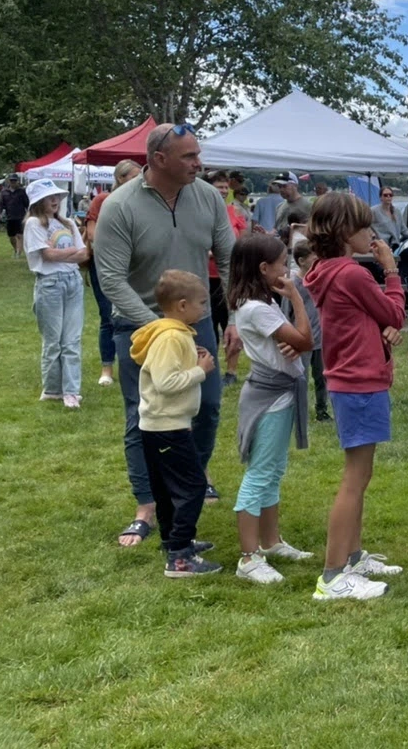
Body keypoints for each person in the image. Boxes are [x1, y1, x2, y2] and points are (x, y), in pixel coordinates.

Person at [94, 122, 236, 547]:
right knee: (143, 415)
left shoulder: (208, 197)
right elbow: (111, 279)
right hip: (138, 327)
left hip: (197, 324)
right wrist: (161, 328)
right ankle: (147, 507)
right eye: (189, 157)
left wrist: (237, 320)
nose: (199, 163)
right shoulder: (119, 206)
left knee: (206, 406)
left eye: (197, 154)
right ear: (158, 160)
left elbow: (229, 259)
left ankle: (190, 479)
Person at [303, 192, 407, 601]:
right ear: (345, 233)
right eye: (365, 227)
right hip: (360, 382)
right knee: (355, 477)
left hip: (351, 379)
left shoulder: (326, 270)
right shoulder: (353, 274)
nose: (372, 233)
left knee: (361, 476)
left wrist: (380, 331)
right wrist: (392, 271)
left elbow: (372, 320)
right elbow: (394, 314)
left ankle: (352, 556)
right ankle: (332, 576)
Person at [228, 234, 316, 584]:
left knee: (273, 470)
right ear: (264, 269)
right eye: (283, 263)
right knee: (260, 474)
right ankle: (249, 557)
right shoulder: (258, 308)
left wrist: (292, 341)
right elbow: (307, 340)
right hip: (270, 398)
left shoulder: (260, 303)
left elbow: (296, 341)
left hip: (278, 395)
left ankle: (270, 542)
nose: (288, 269)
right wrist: (295, 296)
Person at [130, 270, 223, 577]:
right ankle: (180, 556)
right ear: (182, 306)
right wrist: (200, 370)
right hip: (167, 425)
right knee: (193, 486)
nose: (205, 309)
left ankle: (173, 541)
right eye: (200, 303)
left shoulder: (174, 333)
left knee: (168, 488)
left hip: (160, 424)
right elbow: (166, 382)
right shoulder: (171, 337)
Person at [23, 179, 88, 409]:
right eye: (50, 197)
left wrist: (63, 253)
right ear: (38, 201)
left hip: (72, 282)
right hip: (49, 284)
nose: (55, 201)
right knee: (53, 341)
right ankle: (52, 389)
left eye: (57, 197)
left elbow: (84, 255)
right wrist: (71, 252)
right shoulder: (33, 224)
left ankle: (71, 391)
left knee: (72, 339)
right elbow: (47, 256)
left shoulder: (68, 223)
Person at [85, 160, 142, 387]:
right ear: (120, 178)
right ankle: (107, 367)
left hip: (135, 267)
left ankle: (134, 363)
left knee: (135, 314)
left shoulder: (141, 202)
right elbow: (92, 235)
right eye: (133, 178)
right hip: (106, 266)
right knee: (108, 316)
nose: (139, 182)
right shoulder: (103, 200)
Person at [203, 170, 250, 388]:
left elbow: (242, 242)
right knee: (207, 326)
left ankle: (231, 371)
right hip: (204, 277)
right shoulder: (201, 212)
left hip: (229, 278)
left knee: (230, 322)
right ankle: (209, 369)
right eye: (218, 186)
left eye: (225, 187)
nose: (222, 191)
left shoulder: (233, 212)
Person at [291, 240, 330, 422]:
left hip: (321, 339)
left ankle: (322, 410)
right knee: (302, 378)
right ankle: (300, 413)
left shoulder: (319, 280)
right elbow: (286, 314)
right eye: (314, 259)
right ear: (301, 261)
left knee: (323, 377)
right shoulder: (294, 284)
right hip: (302, 340)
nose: (318, 263)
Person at [371, 185, 408, 250]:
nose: (388, 197)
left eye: (390, 195)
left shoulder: (397, 212)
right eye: (385, 195)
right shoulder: (373, 211)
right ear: (380, 197)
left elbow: (403, 229)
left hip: (395, 245)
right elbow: (365, 226)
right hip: (380, 246)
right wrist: (372, 235)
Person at [0, 173, 30, 258]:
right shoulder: (4, 192)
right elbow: (1, 203)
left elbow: (27, 203)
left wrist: (29, 213)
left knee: (19, 235)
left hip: (20, 216)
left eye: (14, 181)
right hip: (9, 216)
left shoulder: (22, 191)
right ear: (9, 181)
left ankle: (18, 253)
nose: (13, 182)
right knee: (11, 236)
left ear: (17, 181)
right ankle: (16, 249)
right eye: (11, 181)